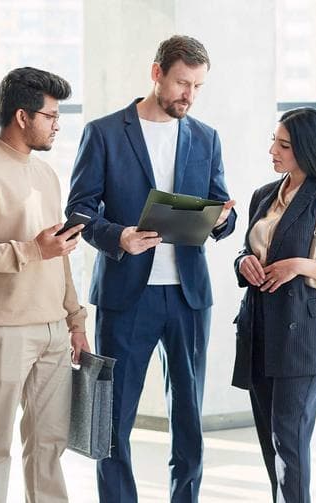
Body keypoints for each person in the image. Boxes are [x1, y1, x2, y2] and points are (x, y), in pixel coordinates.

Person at [66, 35, 236, 503]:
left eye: (198, 87)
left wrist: (224, 219)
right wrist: (118, 236)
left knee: (189, 420)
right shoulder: (104, 132)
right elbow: (79, 211)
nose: (189, 95)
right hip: (127, 294)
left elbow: (223, 208)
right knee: (114, 417)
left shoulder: (206, 137)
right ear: (157, 72)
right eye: (183, 82)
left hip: (188, 296)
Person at [0, 67, 90, 503]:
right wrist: (29, 251)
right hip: (1, 328)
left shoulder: (45, 174)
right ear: (23, 117)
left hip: (52, 329)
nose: (57, 125)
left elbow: (57, 253)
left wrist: (75, 320)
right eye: (50, 115)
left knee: (49, 446)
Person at [232, 107, 316, 503]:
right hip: (258, 328)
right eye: (273, 141)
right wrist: (244, 262)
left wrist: (300, 266)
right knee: (269, 444)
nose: (273, 150)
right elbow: (247, 250)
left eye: (284, 145)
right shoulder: (264, 195)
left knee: (288, 443)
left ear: (307, 149)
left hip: (302, 335)